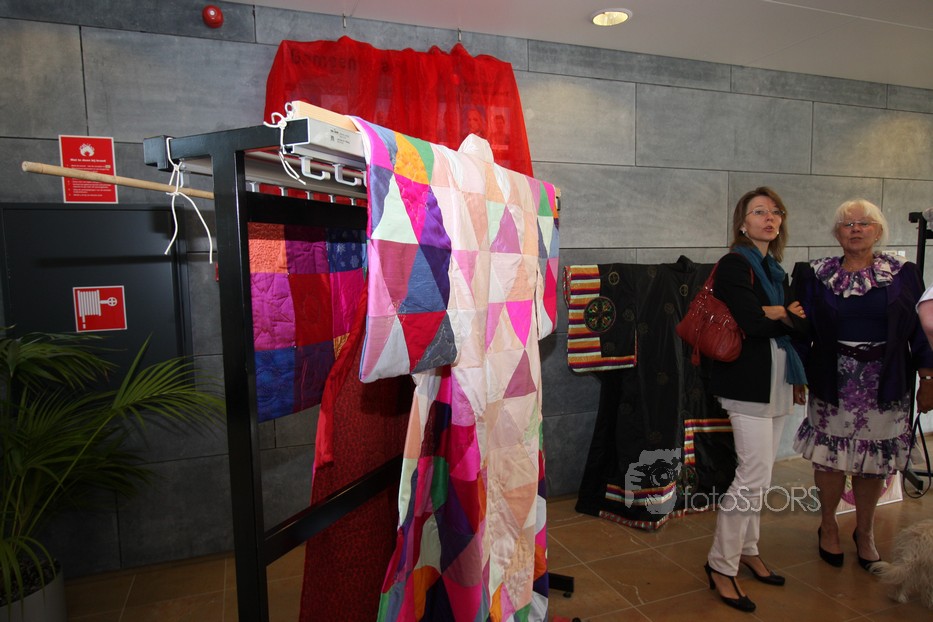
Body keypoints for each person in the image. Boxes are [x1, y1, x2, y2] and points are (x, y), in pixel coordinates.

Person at [792, 198, 933, 573]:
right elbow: (800, 330)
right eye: (847, 224)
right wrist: (797, 374)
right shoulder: (815, 274)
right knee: (830, 459)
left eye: (864, 223)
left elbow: (921, 330)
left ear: (879, 231)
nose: (855, 229)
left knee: (874, 463)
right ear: (836, 233)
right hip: (831, 380)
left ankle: (865, 532)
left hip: (886, 381)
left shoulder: (904, 274)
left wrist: (928, 377)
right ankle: (828, 526)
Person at [705, 187, 809, 613]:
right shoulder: (736, 264)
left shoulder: (775, 270)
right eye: (759, 211)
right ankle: (720, 564)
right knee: (750, 477)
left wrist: (776, 313)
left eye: (775, 211)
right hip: (746, 384)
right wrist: (781, 313)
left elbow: (801, 324)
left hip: (777, 381)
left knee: (762, 478)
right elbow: (751, 322)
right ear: (742, 223)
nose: (769, 218)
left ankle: (748, 550)